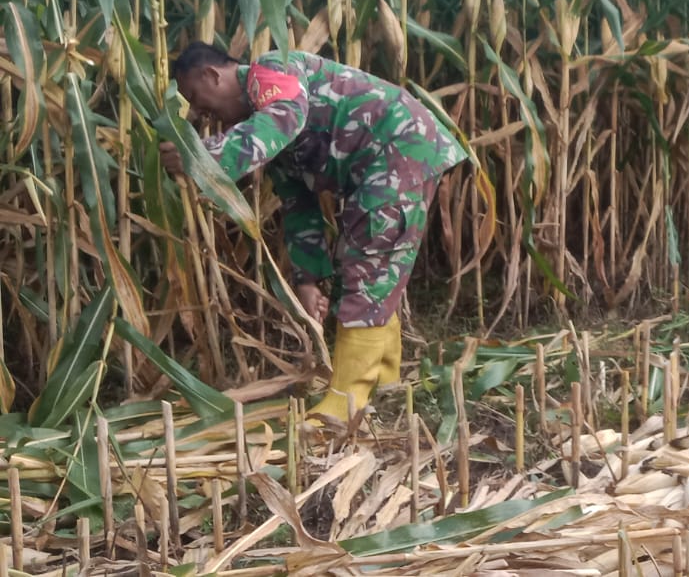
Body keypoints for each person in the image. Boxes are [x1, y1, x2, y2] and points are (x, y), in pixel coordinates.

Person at [161, 43, 467, 423]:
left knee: (366, 266)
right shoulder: (270, 136)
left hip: (399, 149)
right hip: (385, 162)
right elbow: (298, 205)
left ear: (212, 75)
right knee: (371, 269)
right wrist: (307, 280)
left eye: (195, 96)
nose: (199, 112)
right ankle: (382, 380)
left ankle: (346, 404)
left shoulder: (270, 71)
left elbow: (284, 116)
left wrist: (203, 157)